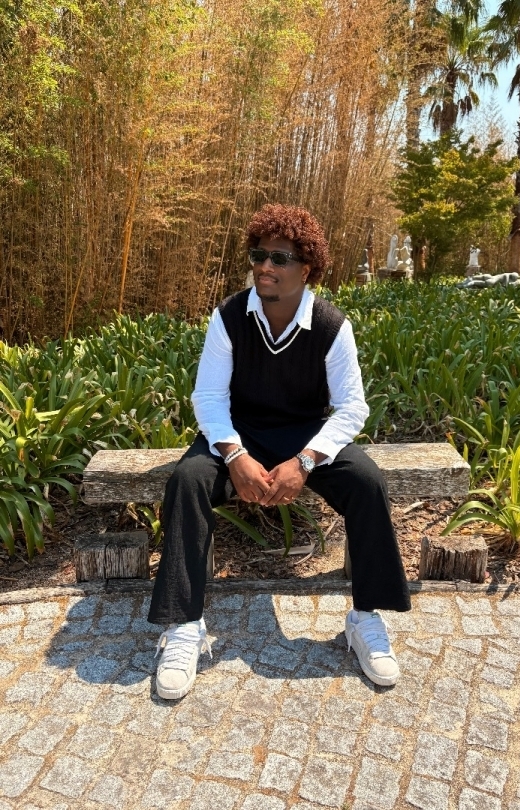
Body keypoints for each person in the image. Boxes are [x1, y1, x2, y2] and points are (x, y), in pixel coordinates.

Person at [149, 204, 411, 699]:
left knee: (366, 482)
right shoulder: (229, 317)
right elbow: (208, 397)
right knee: (187, 481)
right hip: (239, 432)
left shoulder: (331, 326)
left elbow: (353, 407)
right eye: (258, 255)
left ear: (306, 269)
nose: (264, 266)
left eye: (279, 258)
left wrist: (306, 461)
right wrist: (234, 456)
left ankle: (365, 618)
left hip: (306, 435)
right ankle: (184, 626)